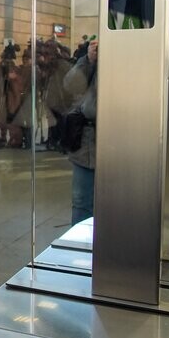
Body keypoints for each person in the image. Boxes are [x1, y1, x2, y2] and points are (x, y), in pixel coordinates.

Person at [64, 39, 98, 225]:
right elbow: (70, 85)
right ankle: (80, 246)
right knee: (81, 202)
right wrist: (88, 60)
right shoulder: (89, 62)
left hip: (116, 141)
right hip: (86, 141)